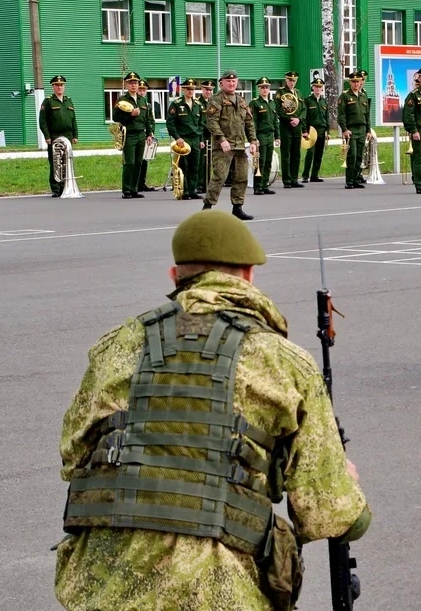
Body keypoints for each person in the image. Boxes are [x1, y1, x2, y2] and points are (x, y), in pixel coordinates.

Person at [54, 210, 370, 611]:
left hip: (104, 588)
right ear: (249, 276)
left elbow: (73, 455)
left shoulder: (117, 346)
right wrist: (344, 481)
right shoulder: (284, 362)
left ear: (175, 277)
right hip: (220, 596)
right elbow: (334, 516)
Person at [203, 70, 257, 220]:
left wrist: (252, 141)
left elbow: (249, 122)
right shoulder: (216, 99)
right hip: (223, 147)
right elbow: (211, 121)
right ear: (222, 83)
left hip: (239, 145)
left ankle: (237, 207)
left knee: (241, 177)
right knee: (219, 176)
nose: (231, 84)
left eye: (234, 81)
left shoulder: (241, 100)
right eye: (228, 81)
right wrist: (222, 139)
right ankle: (207, 207)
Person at [115, 72, 155, 199]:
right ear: (127, 84)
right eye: (131, 83)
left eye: (136, 83)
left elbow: (148, 119)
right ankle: (126, 189)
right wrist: (130, 115)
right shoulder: (122, 100)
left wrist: (149, 133)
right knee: (130, 162)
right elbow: (116, 117)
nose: (134, 85)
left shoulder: (142, 100)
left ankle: (134, 189)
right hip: (129, 134)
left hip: (140, 134)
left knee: (138, 162)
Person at [40, 74, 79, 198]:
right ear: (53, 87)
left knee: (67, 161)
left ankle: (66, 186)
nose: (59, 87)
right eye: (57, 85)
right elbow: (42, 121)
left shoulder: (68, 100)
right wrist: (47, 136)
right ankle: (56, 188)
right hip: (54, 135)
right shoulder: (48, 101)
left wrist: (75, 135)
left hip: (68, 135)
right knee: (56, 162)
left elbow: (73, 119)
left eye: (61, 85)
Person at [167, 78, 203, 201]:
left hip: (196, 138)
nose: (190, 91)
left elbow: (202, 123)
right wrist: (177, 138)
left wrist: (201, 139)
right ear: (183, 89)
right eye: (188, 89)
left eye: (192, 89)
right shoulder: (176, 104)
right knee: (184, 165)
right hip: (183, 139)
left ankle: (193, 190)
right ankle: (185, 190)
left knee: (195, 165)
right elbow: (170, 123)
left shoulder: (198, 105)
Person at [338, 71, 371, 190]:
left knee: (359, 156)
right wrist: (345, 129)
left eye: (358, 81)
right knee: (352, 155)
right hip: (351, 129)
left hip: (362, 129)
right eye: (354, 82)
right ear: (350, 82)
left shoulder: (363, 96)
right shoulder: (345, 95)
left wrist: (368, 130)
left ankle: (357, 178)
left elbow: (367, 114)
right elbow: (341, 115)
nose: (356, 84)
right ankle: (349, 181)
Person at [249, 77, 279, 195]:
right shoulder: (255, 103)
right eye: (262, 88)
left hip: (270, 134)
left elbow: (275, 120)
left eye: (267, 87)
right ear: (259, 89)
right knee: (260, 161)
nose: (265, 90)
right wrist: (254, 138)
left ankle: (265, 184)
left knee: (268, 161)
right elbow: (253, 122)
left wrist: (278, 136)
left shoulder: (272, 103)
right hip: (260, 135)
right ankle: (257, 186)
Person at [276, 71, 305, 189]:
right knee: (286, 154)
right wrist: (290, 119)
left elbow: (304, 109)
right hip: (285, 126)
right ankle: (287, 180)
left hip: (297, 126)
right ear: (286, 80)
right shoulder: (280, 92)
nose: (292, 82)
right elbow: (278, 109)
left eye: (294, 80)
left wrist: (298, 119)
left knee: (296, 153)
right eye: (290, 80)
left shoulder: (298, 93)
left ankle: (294, 179)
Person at [301, 78, 329, 183]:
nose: (318, 89)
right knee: (310, 153)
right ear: (312, 87)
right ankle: (305, 175)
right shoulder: (308, 100)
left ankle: (314, 175)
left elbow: (327, 118)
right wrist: (304, 130)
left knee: (319, 153)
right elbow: (304, 117)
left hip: (322, 129)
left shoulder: (324, 101)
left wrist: (328, 132)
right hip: (312, 129)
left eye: (320, 87)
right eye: (316, 87)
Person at [137, 80, 159, 193]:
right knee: (136, 161)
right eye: (140, 89)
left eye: (144, 90)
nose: (141, 92)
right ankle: (134, 184)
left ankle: (141, 183)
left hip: (146, 136)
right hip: (136, 135)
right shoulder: (133, 102)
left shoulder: (147, 105)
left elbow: (151, 120)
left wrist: (151, 133)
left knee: (144, 160)